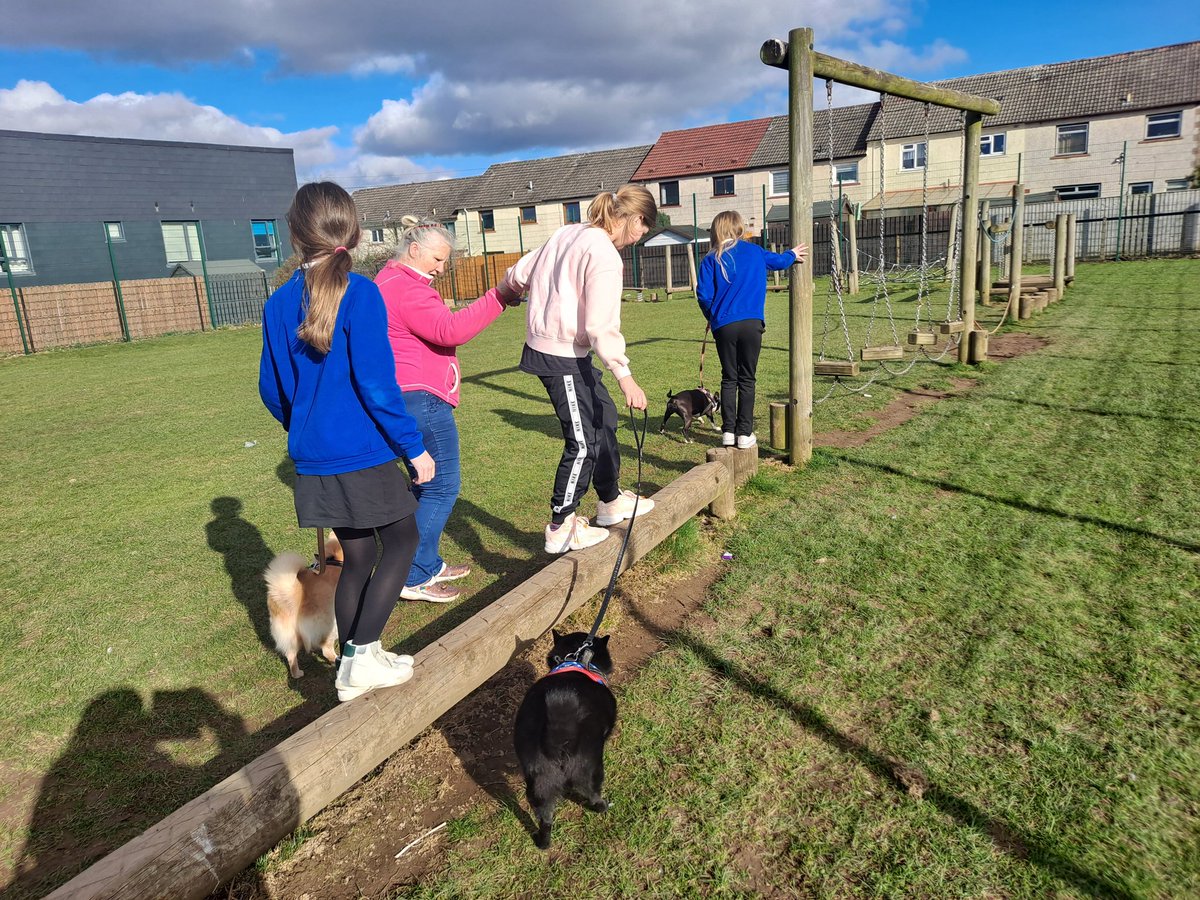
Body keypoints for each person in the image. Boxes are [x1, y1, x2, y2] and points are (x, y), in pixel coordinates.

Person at [259, 181, 435, 703]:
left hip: (316, 461)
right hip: (362, 454)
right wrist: (413, 447)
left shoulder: (277, 303)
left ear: (296, 235)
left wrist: (306, 428)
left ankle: (357, 661)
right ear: (354, 233)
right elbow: (378, 383)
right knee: (402, 541)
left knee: (358, 557)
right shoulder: (361, 292)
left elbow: (272, 390)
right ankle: (361, 656)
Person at [502, 184, 656, 555]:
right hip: (559, 355)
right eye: (644, 226)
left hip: (567, 352)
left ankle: (610, 501)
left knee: (604, 418)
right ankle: (561, 525)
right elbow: (600, 325)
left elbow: (522, 270)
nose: (642, 234)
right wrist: (625, 377)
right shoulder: (603, 254)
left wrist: (510, 290)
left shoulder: (568, 232)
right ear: (634, 217)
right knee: (583, 440)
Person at [375, 216, 520, 602]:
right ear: (414, 250)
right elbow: (450, 330)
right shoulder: (407, 288)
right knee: (441, 486)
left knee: (423, 485)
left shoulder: (387, 281)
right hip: (421, 400)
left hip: (404, 398)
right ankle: (413, 575)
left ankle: (425, 561)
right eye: (438, 259)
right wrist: (499, 296)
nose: (442, 268)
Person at [696, 211, 807, 449]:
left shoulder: (710, 258)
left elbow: (703, 295)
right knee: (747, 378)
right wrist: (792, 254)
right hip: (752, 323)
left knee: (729, 377)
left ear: (716, 231)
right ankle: (744, 433)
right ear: (739, 228)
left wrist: (712, 316)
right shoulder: (755, 251)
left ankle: (728, 431)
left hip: (724, 325)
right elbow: (778, 261)